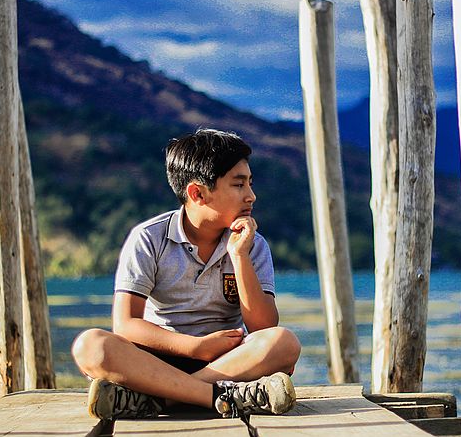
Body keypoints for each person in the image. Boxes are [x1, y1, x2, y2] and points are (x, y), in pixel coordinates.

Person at [72, 128, 301, 420]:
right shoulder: (149, 238)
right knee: (91, 346)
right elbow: (126, 325)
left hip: (227, 361)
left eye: (250, 184)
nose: (251, 196)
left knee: (284, 343)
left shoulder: (252, 245)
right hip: (157, 361)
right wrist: (194, 347)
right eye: (239, 185)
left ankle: (159, 400)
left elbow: (263, 327)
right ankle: (222, 397)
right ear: (198, 193)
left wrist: (239, 256)